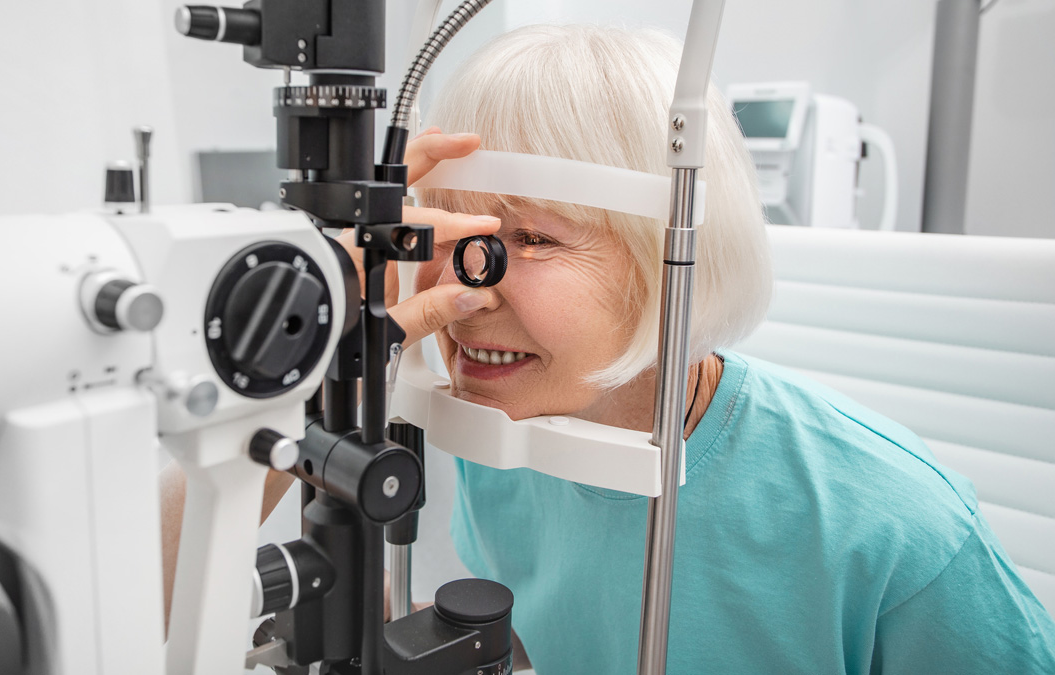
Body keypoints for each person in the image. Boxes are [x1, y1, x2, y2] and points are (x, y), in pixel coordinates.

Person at [161, 24, 1055, 674]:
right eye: (447, 224)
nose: (463, 285)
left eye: (536, 238)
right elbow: (137, 586)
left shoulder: (894, 530)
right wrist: (316, 357)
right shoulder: (481, 423)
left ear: (673, 256)